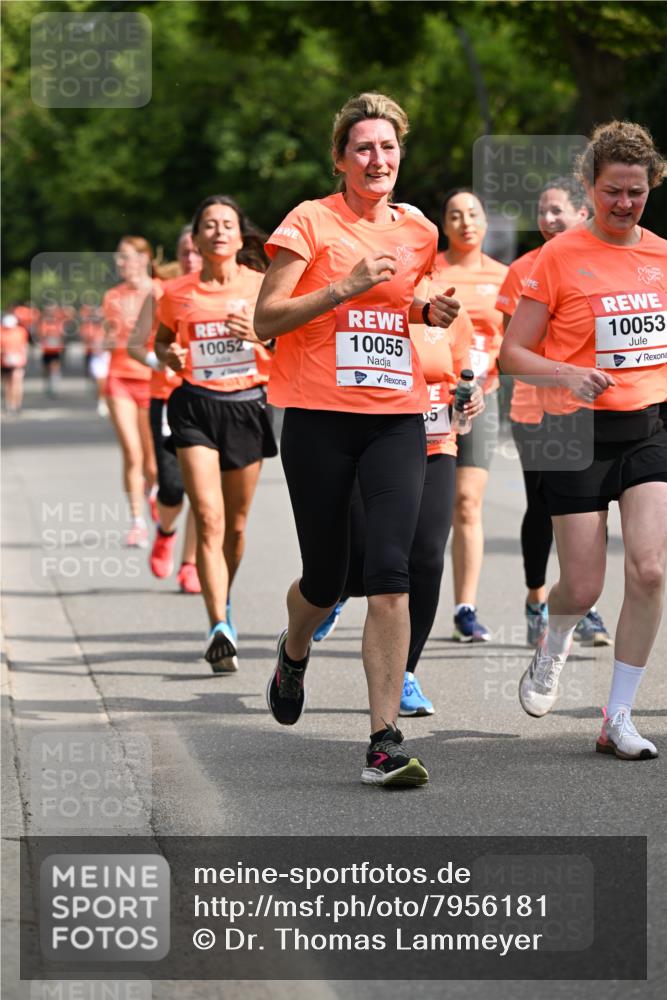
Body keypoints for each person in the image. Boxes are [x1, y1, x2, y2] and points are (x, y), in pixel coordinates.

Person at [254, 92, 460, 786]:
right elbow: (266, 319)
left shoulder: (418, 230)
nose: (378, 159)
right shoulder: (309, 222)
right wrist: (340, 286)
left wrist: (427, 307)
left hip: (397, 419)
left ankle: (383, 741)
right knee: (327, 576)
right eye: (364, 148)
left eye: (388, 148)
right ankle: (293, 647)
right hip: (318, 420)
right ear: (340, 158)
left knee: (390, 576)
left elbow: (401, 303)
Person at [500, 120, 667, 760]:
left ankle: (617, 717)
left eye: (637, 192)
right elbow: (512, 354)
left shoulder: (659, 256)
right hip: (569, 431)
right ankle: (554, 643)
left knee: (650, 570)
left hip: (645, 429)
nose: (624, 204)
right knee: (583, 586)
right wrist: (566, 371)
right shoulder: (558, 256)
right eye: (612, 192)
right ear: (589, 187)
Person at [155, 195, 277, 671]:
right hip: (194, 408)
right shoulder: (177, 292)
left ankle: (223, 600)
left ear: (241, 235)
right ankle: (217, 626)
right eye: (209, 224)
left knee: (237, 524)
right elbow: (163, 340)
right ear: (197, 238)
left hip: (247, 406)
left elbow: (289, 341)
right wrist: (170, 357)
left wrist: (260, 335)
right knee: (207, 517)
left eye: (227, 223)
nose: (219, 231)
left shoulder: (262, 284)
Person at [497, 176, 613, 648]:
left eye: (557, 210)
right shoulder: (523, 270)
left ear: (583, 211)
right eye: (542, 211)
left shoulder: (608, 263)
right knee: (546, 507)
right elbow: (514, 349)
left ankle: (581, 603)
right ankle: (537, 598)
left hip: (599, 405)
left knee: (592, 508)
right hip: (536, 409)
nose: (547, 220)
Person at [433, 190, 508, 642]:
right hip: (429, 399)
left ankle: (465, 607)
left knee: (467, 501)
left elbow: (517, 337)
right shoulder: (431, 270)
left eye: (473, 214)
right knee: (428, 507)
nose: (465, 222)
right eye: (455, 215)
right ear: (445, 225)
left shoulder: (504, 276)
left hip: (484, 396)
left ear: (484, 223)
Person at [128, 226, 203, 593]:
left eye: (197, 250)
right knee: (173, 488)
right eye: (185, 251)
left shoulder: (230, 292)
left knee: (204, 492)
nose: (191, 257)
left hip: (211, 398)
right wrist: (161, 363)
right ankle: (165, 530)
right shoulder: (162, 292)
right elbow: (133, 345)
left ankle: (190, 564)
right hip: (169, 399)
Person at [102, 236, 159, 547]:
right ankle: (137, 522)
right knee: (132, 452)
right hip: (119, 378)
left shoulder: (160, 291)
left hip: (151, 379)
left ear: (144, 258)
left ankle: (152, 494)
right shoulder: (112, 296)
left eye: (125, 257)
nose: (119, 264)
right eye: (118, 258)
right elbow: (111, 338)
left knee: (152, 461)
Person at [1, 312, 29, 415]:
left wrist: (23, 358)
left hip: (18, 361)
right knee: (7, 384)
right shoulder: (1, 332)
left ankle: (17, 404)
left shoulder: (21, 332)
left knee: (17, 382)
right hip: (4, 362)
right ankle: (9, 404)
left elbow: (24, 346)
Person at [37, 304, 66, 397]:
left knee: (55, 369)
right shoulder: (43, 324)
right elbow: (40, 336)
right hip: (46, 351)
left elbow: (61, 336)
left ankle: (55, 387)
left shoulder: (58, 323)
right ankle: (48, 385)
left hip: (55, 351)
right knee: (46, 370)